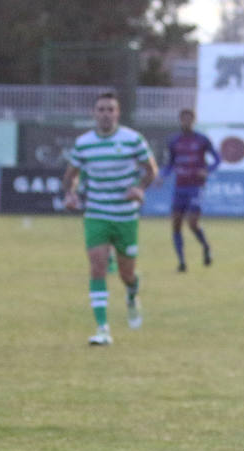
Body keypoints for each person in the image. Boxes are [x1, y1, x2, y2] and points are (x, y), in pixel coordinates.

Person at [62, 90, 158, 347]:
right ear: (94, 113)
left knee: (127, 273)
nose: (105, 114)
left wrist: (140, 187)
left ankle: (131, 293)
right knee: (97, 267)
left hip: (125, 216)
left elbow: (150, 170)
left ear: (117, 113)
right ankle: (102, 328)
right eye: (101, 109)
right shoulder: (84, 143)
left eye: (110, 109)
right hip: (97, 214)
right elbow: (71, 174)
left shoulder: (132, 140)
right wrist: (70, 193)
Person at [161, 108, 220, 272]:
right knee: (176, 223)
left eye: (190, 119)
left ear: (194, 120)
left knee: (192, 223)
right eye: (183, 119)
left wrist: (207, 170)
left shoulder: (202, 140)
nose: (186, 122)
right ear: (180, 120)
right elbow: (170, 163)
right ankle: (181, 262)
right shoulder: (173, 141)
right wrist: (163, 175)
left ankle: (206, 247)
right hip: (179, 187)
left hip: (196, 187)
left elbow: (217, 159)